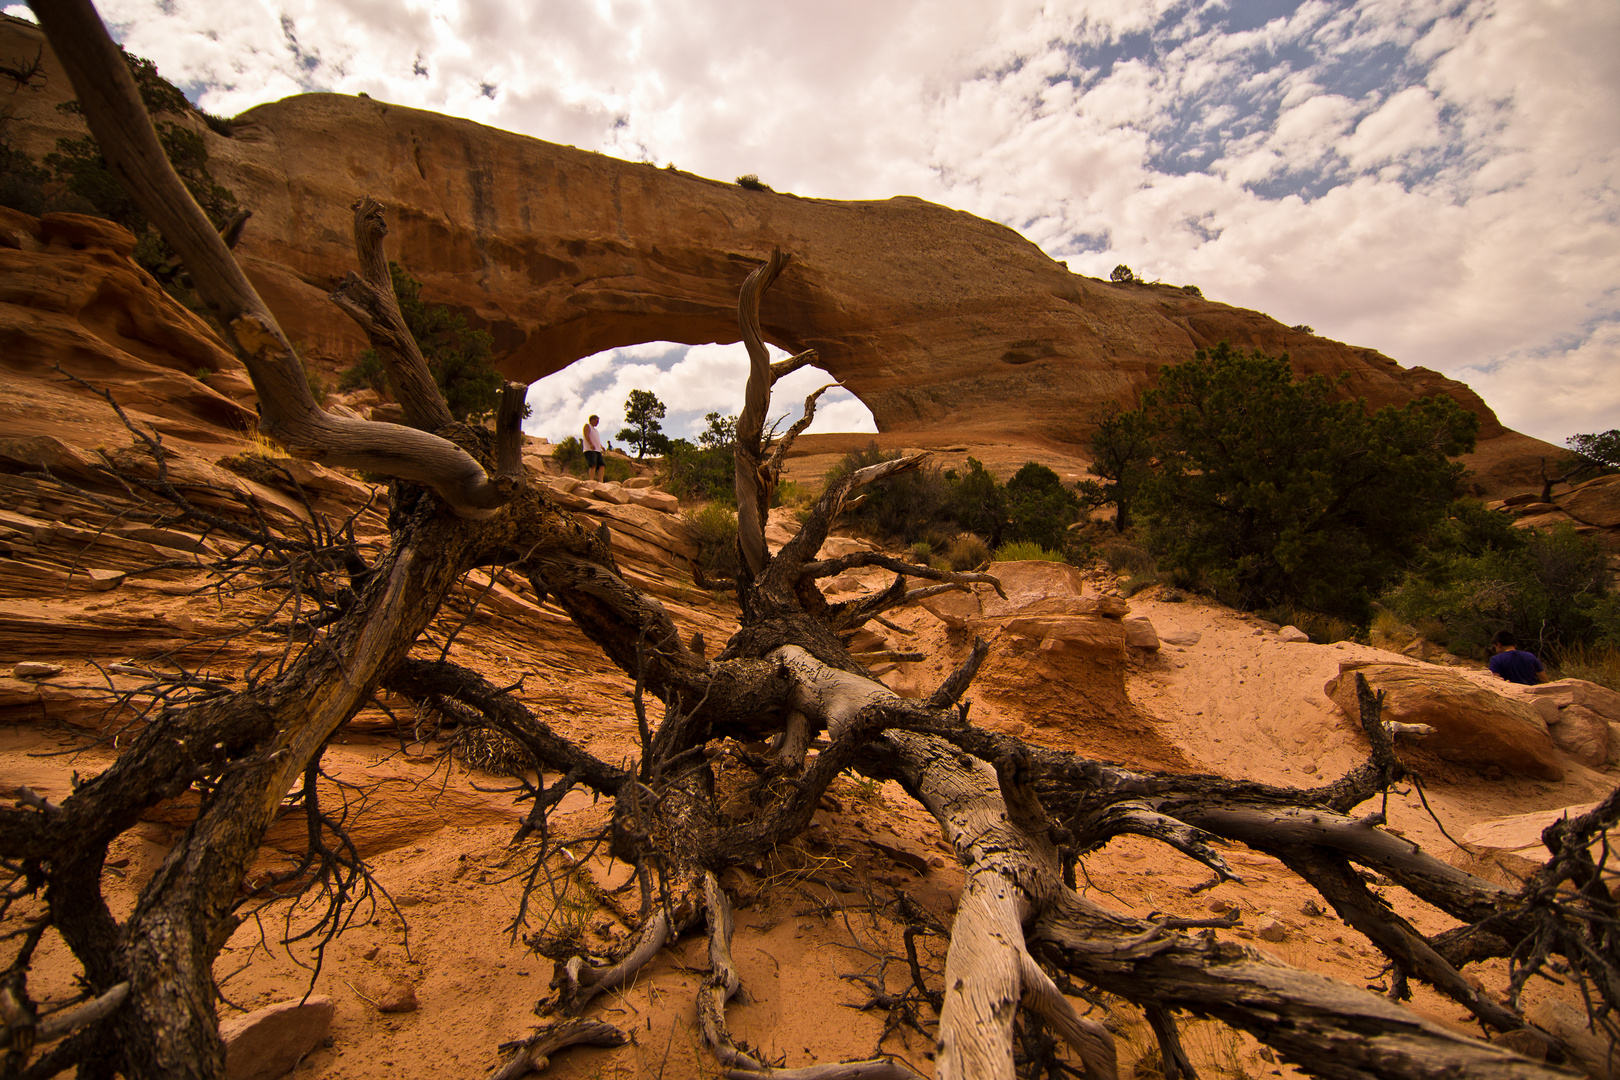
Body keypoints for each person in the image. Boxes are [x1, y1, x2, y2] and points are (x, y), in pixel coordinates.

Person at [582, 414, 606, 481]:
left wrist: (601, 446)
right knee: (593, 465)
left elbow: (597, 440)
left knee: (601, 465)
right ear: (592, 420)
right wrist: (590, 444)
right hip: (590, 449)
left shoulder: (596, 430)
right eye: (596, 421)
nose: (597, 423)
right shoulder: (587, 426)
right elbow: (586, 435)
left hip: (597, 450)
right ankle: (591, 480)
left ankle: (601, 481)